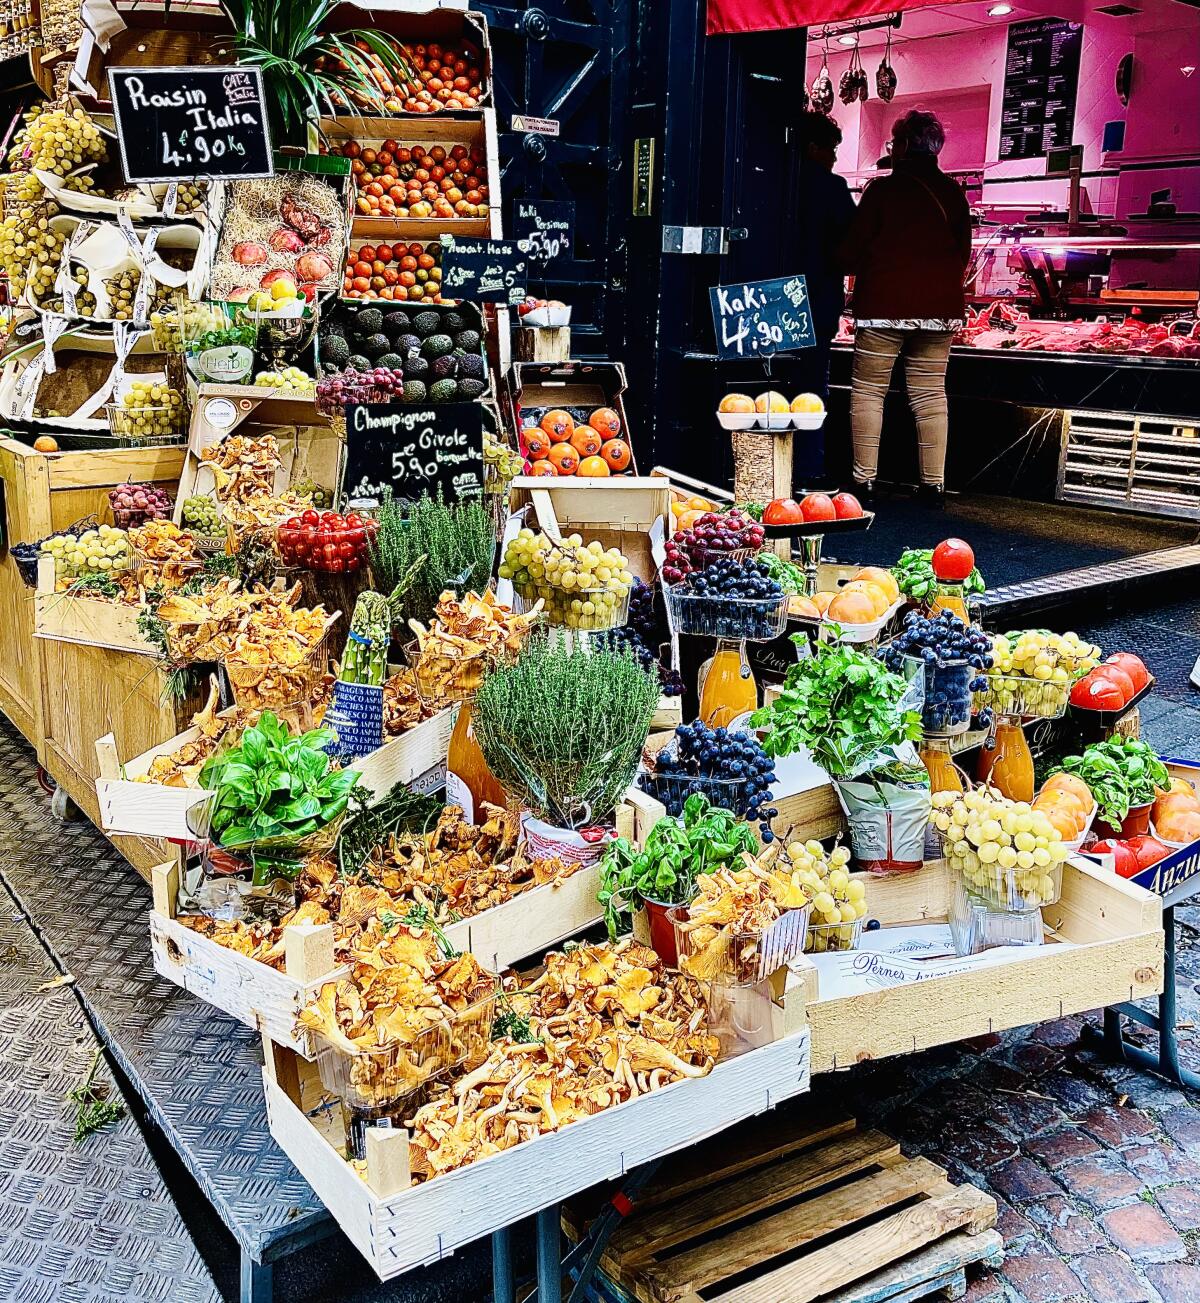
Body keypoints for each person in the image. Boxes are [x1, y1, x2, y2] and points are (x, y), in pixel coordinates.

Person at [838, 108, 971, 508]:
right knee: (930, 394)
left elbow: (850, 254)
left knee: (869, 392)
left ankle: (864, 483)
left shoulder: (881, 192)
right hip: (940, 309)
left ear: (901, 146)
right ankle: (933, 485)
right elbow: (961, 253)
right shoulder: (954, 193)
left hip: (884, 305)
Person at [789, 111, 857, 485]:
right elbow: (853, 249)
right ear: (813, 147)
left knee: (763, 382)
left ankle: (759, 466)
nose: (833, 158)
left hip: (767, 303)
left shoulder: (771, 178)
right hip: (815, 302)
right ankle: (807, 469)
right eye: (830, 149)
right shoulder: (831, 188)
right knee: (811, 387)